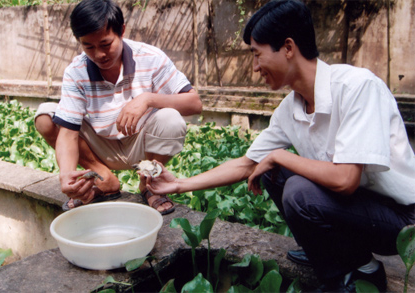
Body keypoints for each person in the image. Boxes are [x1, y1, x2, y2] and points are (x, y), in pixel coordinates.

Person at [145, 0, 415, 291]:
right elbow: (246, 163)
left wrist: (280, 156)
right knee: (272, 172)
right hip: (353, 211)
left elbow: (345, 179)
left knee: (297, 189)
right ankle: (325, 251)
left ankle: (361, 271)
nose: (254, 67)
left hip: (400, 222)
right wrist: (178, 184)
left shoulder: (357, 87)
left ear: (288, 48)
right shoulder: (290, 108)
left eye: (257, 55)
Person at [34, 0, 202, 214]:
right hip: (100, 147)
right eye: (88, 47)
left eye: (106, 44)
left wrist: (148, 99)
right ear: (80, 42)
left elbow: (194, 103)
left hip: (141, 144)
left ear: (121, 31)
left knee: (171, 119)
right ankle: (103, 179)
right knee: (46, 117)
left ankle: (150, 183)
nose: (99, 55)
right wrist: (66, 174)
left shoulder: (150, 57)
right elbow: (67, 133)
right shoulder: (76, 72)